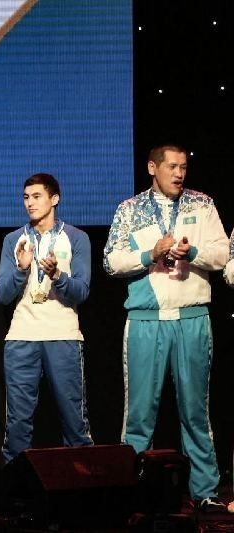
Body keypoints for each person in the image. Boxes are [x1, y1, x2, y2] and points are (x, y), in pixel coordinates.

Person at [103, 144, 229, 512]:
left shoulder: (202, 204)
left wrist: (193, 253)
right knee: (139, 415)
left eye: (183, 167)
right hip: (146, 321)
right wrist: (151, 254)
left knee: (196, 412)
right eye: (172, 166)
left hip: (192, 318)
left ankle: (205, 492)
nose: (179, 173)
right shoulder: (129, 210)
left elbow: (223, 254)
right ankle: (132, 493)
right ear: (152, 168)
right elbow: (111, 261)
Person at [0, 173, 93, 463]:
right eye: (26, 197)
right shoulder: (13, 240)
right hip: (22, 336)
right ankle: (16, 484)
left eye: (37, 196)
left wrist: (57, 275)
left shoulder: (77, 238)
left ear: (54, 199)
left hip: (63, 335)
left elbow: (82, 291)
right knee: (18, 422)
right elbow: (1, 294)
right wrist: (21, 270)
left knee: (74, 419)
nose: (30, 203)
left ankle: (82, 481)